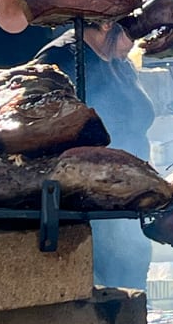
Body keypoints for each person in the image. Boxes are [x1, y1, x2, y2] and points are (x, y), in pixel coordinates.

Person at [35, 20, 156, 290]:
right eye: (132, 34)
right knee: (103, 297)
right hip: (91, 210)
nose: (136, 43)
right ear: (106, 23)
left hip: (128, 204)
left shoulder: (120, 63)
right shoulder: (60, 58)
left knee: (132, 288)